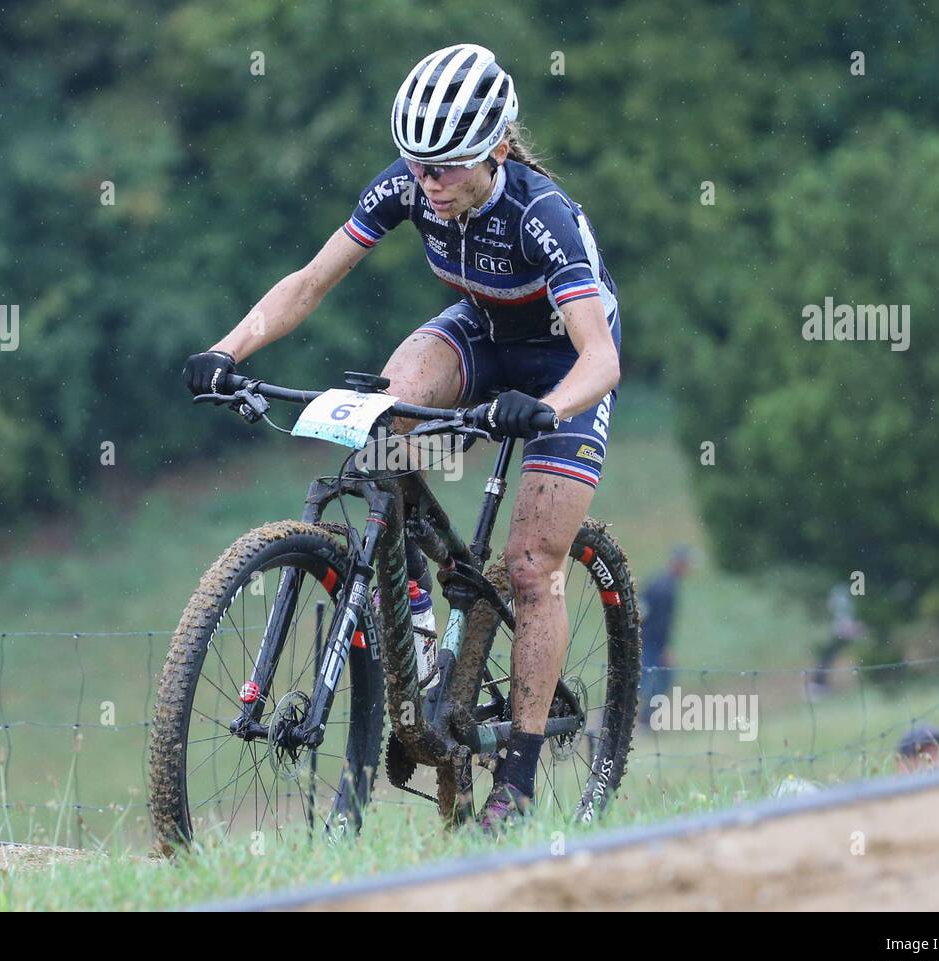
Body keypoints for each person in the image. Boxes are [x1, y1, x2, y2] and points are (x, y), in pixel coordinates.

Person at [183, 44, 621, 833]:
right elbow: (311, 281)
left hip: (563, 359)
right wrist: (227, 352)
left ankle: (516, 782)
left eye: (445, 168)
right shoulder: (410, 185)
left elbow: (603, 358)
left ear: (495, 149)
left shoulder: (541, 214)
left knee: (529, 566)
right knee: (387, 410)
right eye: (417, 165)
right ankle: (412, 600)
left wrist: (546, 409)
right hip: (481, 332)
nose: (428, 183)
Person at [638, 545, 692, 726]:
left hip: (644, 640)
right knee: (643, 683)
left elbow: (641, 611)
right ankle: (642, 721)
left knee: (641, 681)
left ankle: (638, 719)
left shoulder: (657, 582)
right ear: (678, 563)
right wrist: (664, 648)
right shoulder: (666, 587)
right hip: (651, 643)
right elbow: (661, 622)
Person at [806, 583, 863, 701]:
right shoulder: (843, 591)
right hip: (843, 630)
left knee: (827, 657)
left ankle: (819, 685)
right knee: (827, 657)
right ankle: (819, 685)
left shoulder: (842, 592)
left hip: (844, 630)